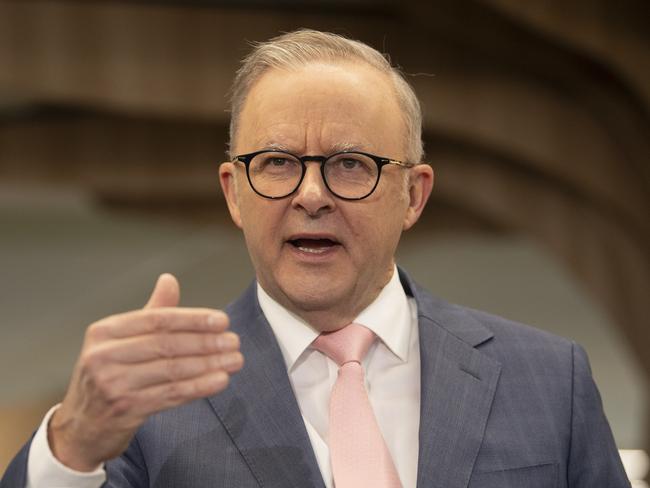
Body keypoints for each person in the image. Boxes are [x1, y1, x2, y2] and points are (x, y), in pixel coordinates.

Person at [1, 29, 630, 488]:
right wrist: (73, 445)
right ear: (234, 193)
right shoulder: (155, 406)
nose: (310, 195)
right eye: (276, 163)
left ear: (413, 195)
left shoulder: (550, 381)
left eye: (350, 164)